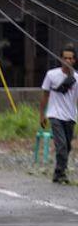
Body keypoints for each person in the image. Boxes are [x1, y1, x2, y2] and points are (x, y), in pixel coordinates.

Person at [40, 45, 77, 184]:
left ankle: (59, 172)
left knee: (67, 146)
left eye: (70, 58)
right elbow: (45, 95)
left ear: (74, 60)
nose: (67, 60)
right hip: (55, 115)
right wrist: (42, 115)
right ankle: (61, 173)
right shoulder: (51, 75)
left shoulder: (76, 78)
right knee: (61, 145)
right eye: (65, 57)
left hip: (70, 116)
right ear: (61, 59)